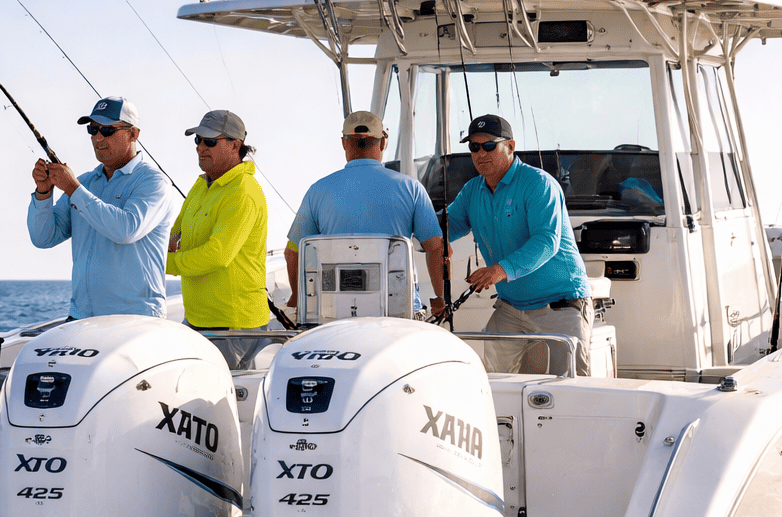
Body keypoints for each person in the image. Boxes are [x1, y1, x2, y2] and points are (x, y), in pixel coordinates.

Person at [445, 114, 595, 375]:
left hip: (560, 305)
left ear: (510, 146)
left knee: (570, 390)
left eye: (489, 145)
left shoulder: (539, 184)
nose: (481, 153)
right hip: (510, 308)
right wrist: (421, 230)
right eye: (474, 147)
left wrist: (498, 271)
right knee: (491, 384)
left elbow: (546, 240)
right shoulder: (471, 191)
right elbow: (442, 229)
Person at [283, 110, 447, 318]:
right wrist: (440, 299)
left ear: (344, 143)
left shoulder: (317, 190)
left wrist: (298, 301)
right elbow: (435, 247)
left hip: (335, 312)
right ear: (382, 143)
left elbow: (292, 252)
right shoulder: (411, 188)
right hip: (397, 310)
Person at [29, 96, 175, 319]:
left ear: (133, 134)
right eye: (93, 129)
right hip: (81, 317)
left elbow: (126, 230)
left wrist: (73, 189)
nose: (98, 137)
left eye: (107, 130)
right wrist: (43, 193)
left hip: (136, 319)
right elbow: (43, 238)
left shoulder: (153, 182)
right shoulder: (84, 183)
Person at [167, 109, 270, 365]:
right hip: (198, 320)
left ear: (235, 145)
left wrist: (163, 263)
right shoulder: (201, 185)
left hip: (233, 327)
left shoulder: (243, 192)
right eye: (198, 140)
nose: (201, 147)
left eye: (210, 141)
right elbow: (174, 232)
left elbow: (218, 254)